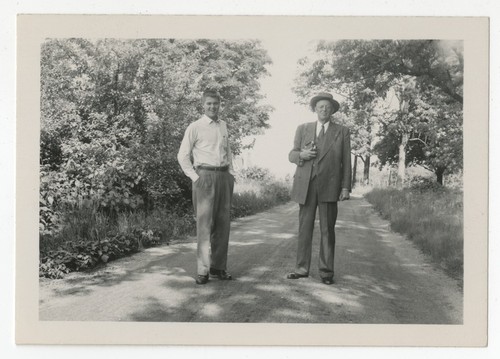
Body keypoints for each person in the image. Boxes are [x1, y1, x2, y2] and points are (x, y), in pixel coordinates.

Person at [287, 92, 351, 285]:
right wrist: (302, 155)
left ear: (332, 110)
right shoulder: (303, 128)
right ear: (315, 109)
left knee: (327, 230)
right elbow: (291, 154)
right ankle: (301, 269)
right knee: (304, 228)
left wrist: (345, 186)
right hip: (305, 185)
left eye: (327, 107)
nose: (324, 110)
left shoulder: (342, 131)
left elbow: (346, 162)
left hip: (330, 186)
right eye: (320, 106)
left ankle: (326, 272)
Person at [177, 89, 235, 285]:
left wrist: (231, 174)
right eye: (209, 103)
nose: (212, 107)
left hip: (223, 176)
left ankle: (218, 268)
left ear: (220, 105)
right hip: (204, 177)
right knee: (204, 225)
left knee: (223, 224)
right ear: (203, 105)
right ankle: (203, 270)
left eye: (216, 104)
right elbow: (182, 155)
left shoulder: (224, 126)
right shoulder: (195, 127)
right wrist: (195, 177)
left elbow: (228, 151)